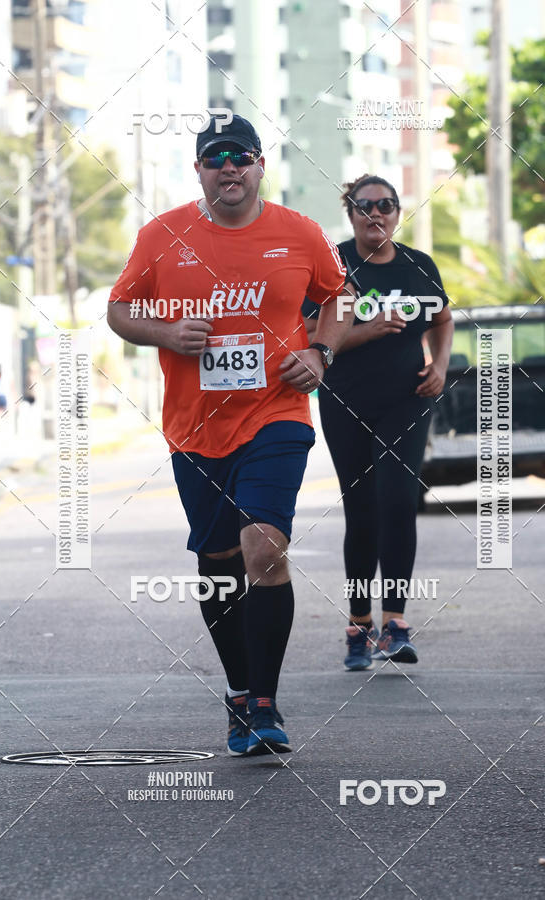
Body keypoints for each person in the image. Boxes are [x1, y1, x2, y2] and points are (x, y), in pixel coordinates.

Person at [107, 115, 353, 755]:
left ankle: (266, 703)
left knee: (264, 547)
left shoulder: (300, 233)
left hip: (277, 413)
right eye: (215, 158)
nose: (229, 168)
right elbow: (120, 308)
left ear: (260, 164)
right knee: (217, 565)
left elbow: (337, 297)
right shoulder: (162, 235)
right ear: (198, 170)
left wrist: (321, 352)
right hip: (195, 427)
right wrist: (165, 333)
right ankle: (239, 690)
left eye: (240, 156)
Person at [303, 174, 454, 671]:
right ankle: (358, 626)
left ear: (397, 211)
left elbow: (443, 319)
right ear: (350, 212)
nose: (377, 214)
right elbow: (310, 335)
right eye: (365, 206)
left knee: (397, 501)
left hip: (407, 400)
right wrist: (366, 331)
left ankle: (395, 624)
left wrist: (440, 364)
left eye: (386, 205)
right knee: (361, 510)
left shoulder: (418, 265)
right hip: (345, 401)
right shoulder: (332, 265)